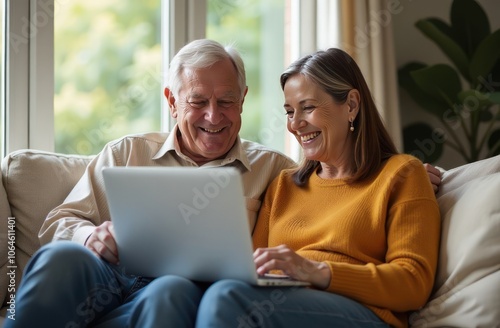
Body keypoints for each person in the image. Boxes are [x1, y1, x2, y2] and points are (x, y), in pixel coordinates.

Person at [5, 41, 440, 328]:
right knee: (63, 257)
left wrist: (412, 171)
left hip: (180, 297)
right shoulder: (128, 152)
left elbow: (351, 181)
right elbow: (61, 220)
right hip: (109, 275)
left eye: (226, 101)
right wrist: (89, 234)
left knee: (184, 293)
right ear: (172, 102)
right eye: (198, 102)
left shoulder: (276, 171)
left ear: (243, 100)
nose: (214, 116)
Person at [193, 48, 441, 328]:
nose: (295, 124)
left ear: (351, 105)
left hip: (363, 316)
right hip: (281, 308)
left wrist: (317, 272)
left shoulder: (401, 174)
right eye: (289, 111)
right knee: (204, 296)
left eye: (308, 108)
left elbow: (413, 283)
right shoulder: (283, 186)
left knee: (226, 299)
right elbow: (251, 269)